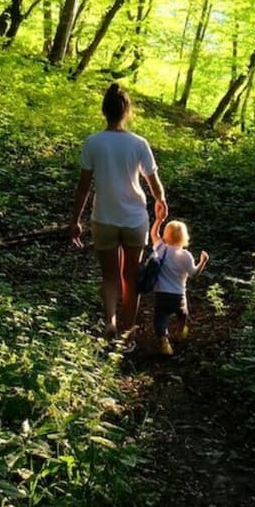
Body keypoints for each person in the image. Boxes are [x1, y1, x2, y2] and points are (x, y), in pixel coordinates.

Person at [70, 83, 167, 339]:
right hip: (135, 219)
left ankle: (110, 321)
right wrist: (161, 202)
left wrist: (75, 220)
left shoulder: (93, 142)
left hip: (104, 218)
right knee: (131, 275)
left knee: (110, 275)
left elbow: (83, 188)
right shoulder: (139, 143)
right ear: (127, 111)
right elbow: (154, 184)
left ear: (104, 111)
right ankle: (127, 331)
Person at [148, 215, 208, 356]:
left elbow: (153, 234)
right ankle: (179, 332)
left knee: (160, 318)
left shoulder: (160, 248)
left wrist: (158, 220)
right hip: (178, 295)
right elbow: (193, 273)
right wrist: (203, 261)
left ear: (166, 234)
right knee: (182, 314)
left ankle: (164, 341)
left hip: (161, 293)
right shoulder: (185, 255)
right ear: (184, 237)